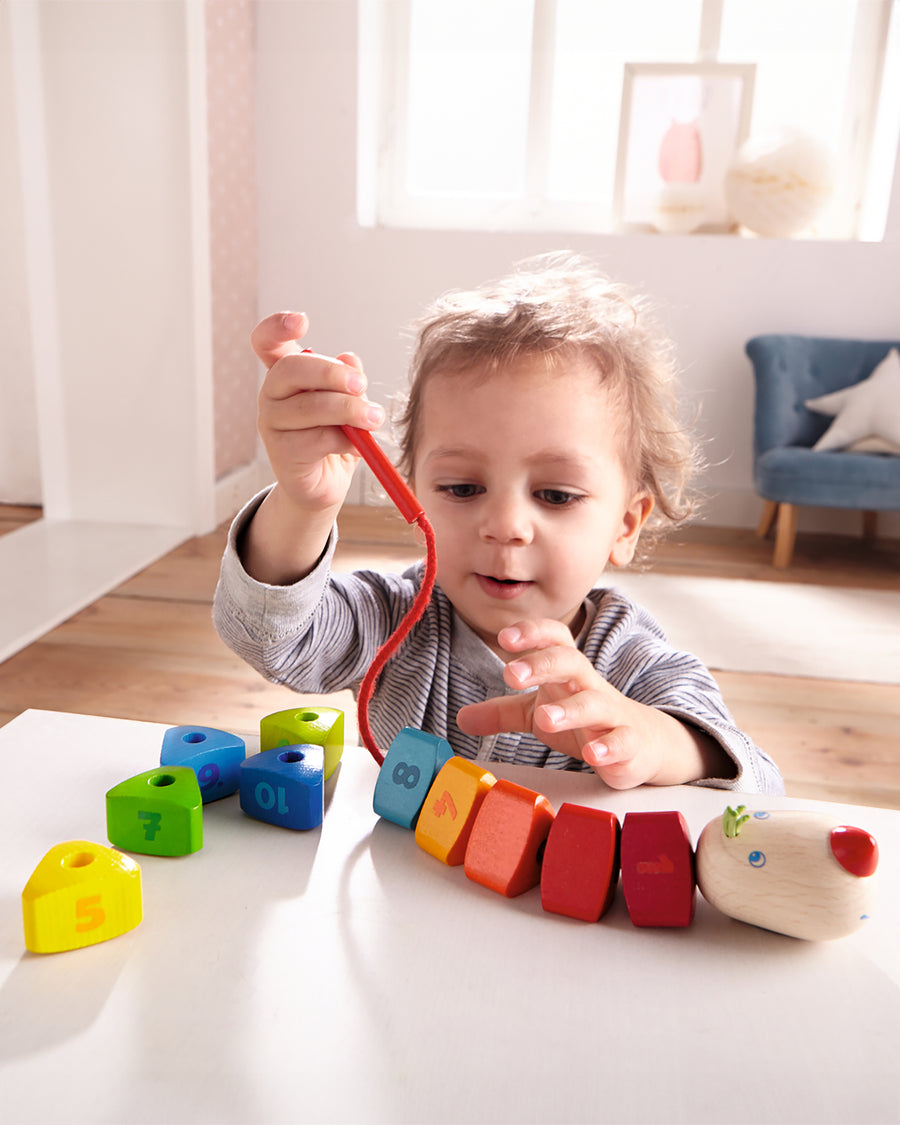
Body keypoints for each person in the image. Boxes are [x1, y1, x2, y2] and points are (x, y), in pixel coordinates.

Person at [214, 253, 783, 794]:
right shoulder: (392, 617)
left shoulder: (631, 660)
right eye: (462, 488)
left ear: (626, 525)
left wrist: (655, 741)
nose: (505, 525)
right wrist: (303, 505)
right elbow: (269, 636)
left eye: (556, 495)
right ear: (414, 497)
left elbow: (755, 782)